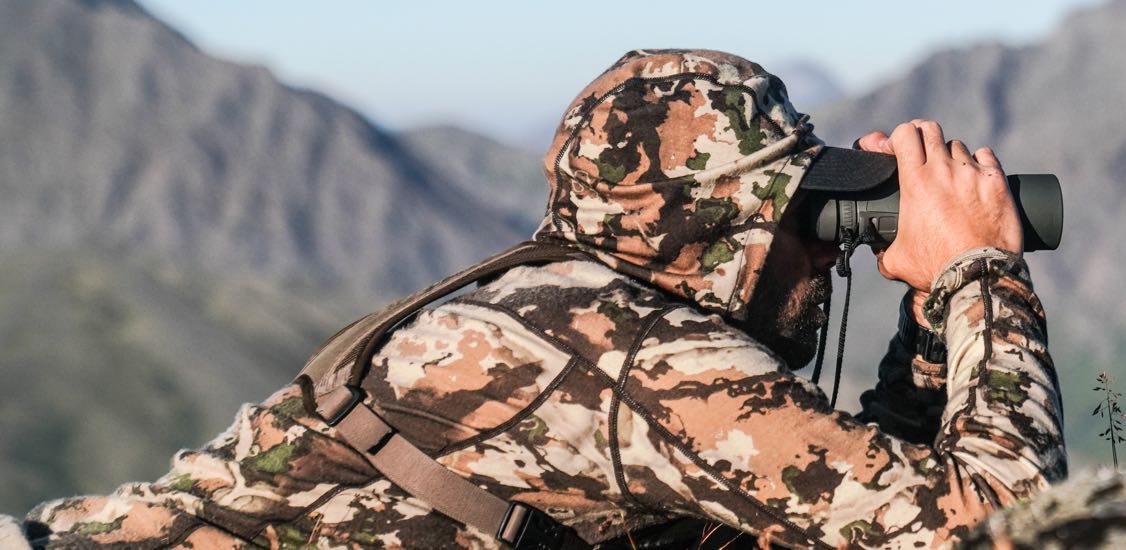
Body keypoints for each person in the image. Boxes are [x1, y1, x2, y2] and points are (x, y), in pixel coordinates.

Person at [9, 49, 1064, 549]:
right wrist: (980, 268)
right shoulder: (631, 357)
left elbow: (848, 507)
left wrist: (930, 317)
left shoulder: (563, 307)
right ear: (718, 230)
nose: (824, 258)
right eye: (799, 219)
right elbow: (990, 529)